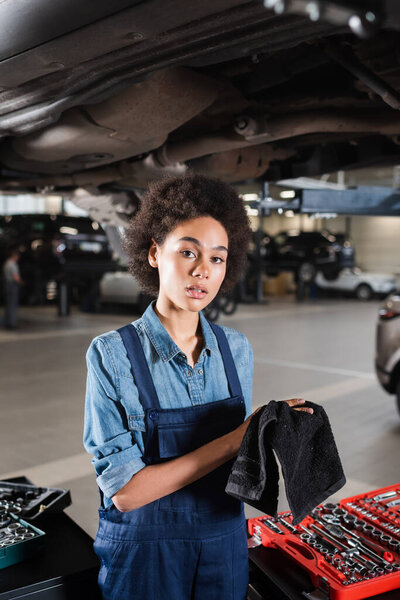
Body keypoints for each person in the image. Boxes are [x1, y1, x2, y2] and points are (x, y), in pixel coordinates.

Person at [83, 174, 313, 600]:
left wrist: (271, 432)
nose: (202, 270)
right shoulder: (111, 355)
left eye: (217, 258)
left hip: (223, 547)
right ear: (154, 253)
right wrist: (235, 439)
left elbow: (240, 464)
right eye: (187, 251)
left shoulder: (236, 349)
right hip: (145, 558)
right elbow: (128, 495)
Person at [2, 247, 23, 329]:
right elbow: (16, 278)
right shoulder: (13, 264)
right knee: (13, 305)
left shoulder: (7, 263)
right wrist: (22, 283)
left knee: (8, 305)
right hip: (13, 285)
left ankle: (6, 321)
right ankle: (12, 323)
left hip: (7, 285)